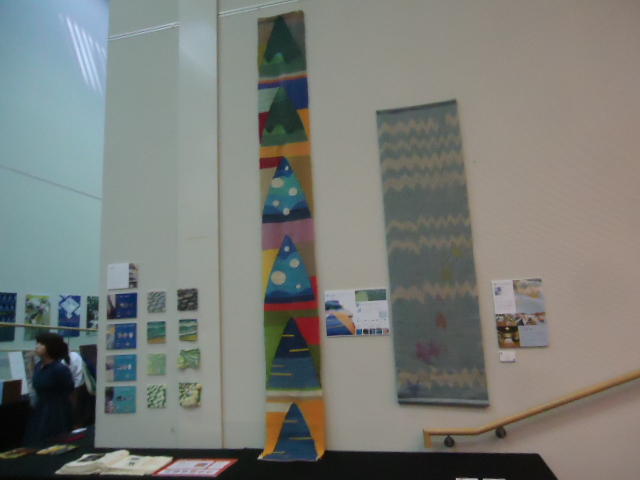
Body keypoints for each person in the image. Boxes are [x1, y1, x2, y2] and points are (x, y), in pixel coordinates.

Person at [23, 332, 74, 445]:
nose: (37, 346)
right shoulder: (39, 366)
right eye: (37, 343)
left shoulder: (60, 369)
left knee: (52, 441)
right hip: (40, 408)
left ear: (50, 347)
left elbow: (69, 390)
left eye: (41, 344)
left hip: (56, 411)